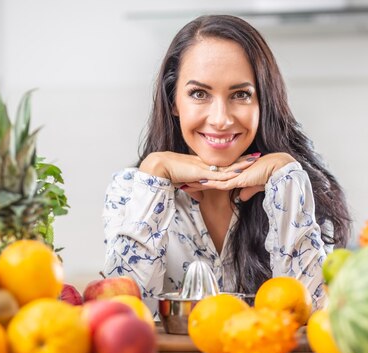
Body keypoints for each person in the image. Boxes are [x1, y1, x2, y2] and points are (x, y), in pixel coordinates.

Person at [103, 15, 351, 316]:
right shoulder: (132, 191)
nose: (220, 118)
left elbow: (315, 317)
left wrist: (285, 174)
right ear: (173, 101)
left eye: (240, 95)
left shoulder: (299, 187)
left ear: (264, 103)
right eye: (199, 94)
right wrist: (155, 169)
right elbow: (122, 316)